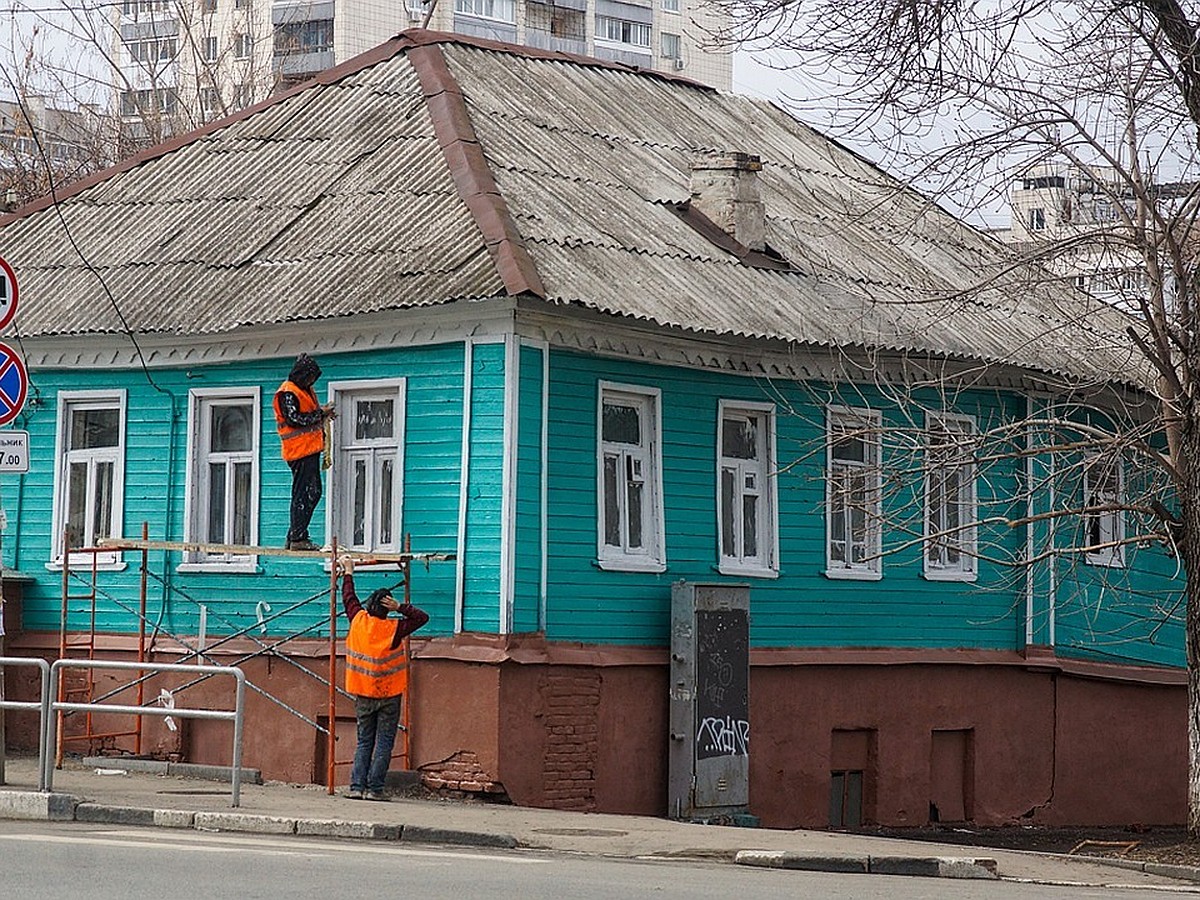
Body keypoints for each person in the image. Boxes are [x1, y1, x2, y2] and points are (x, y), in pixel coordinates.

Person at [338, 556, 429, 801]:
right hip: (389, 694)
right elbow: (422, 618)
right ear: (386, 608)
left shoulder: (357, 621)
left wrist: (348, 572)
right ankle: (375, 789)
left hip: (363, 693)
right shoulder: (394, 629)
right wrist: (400, 607)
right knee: (384, 742)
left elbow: (348, 597)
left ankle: (357, 787)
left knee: (364, 741)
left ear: (369, 606)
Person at [274, 353, 336, 551]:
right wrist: (321, 413)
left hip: (309, 449)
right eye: (310, 377)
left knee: (313, 492)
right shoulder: (288, 392)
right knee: (304, 493)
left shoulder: (304, 390)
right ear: (302, 374)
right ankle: (298, 538)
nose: (312, 381)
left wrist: (321, 415)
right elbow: (294, 419)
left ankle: (295, 534)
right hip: (298, 451)